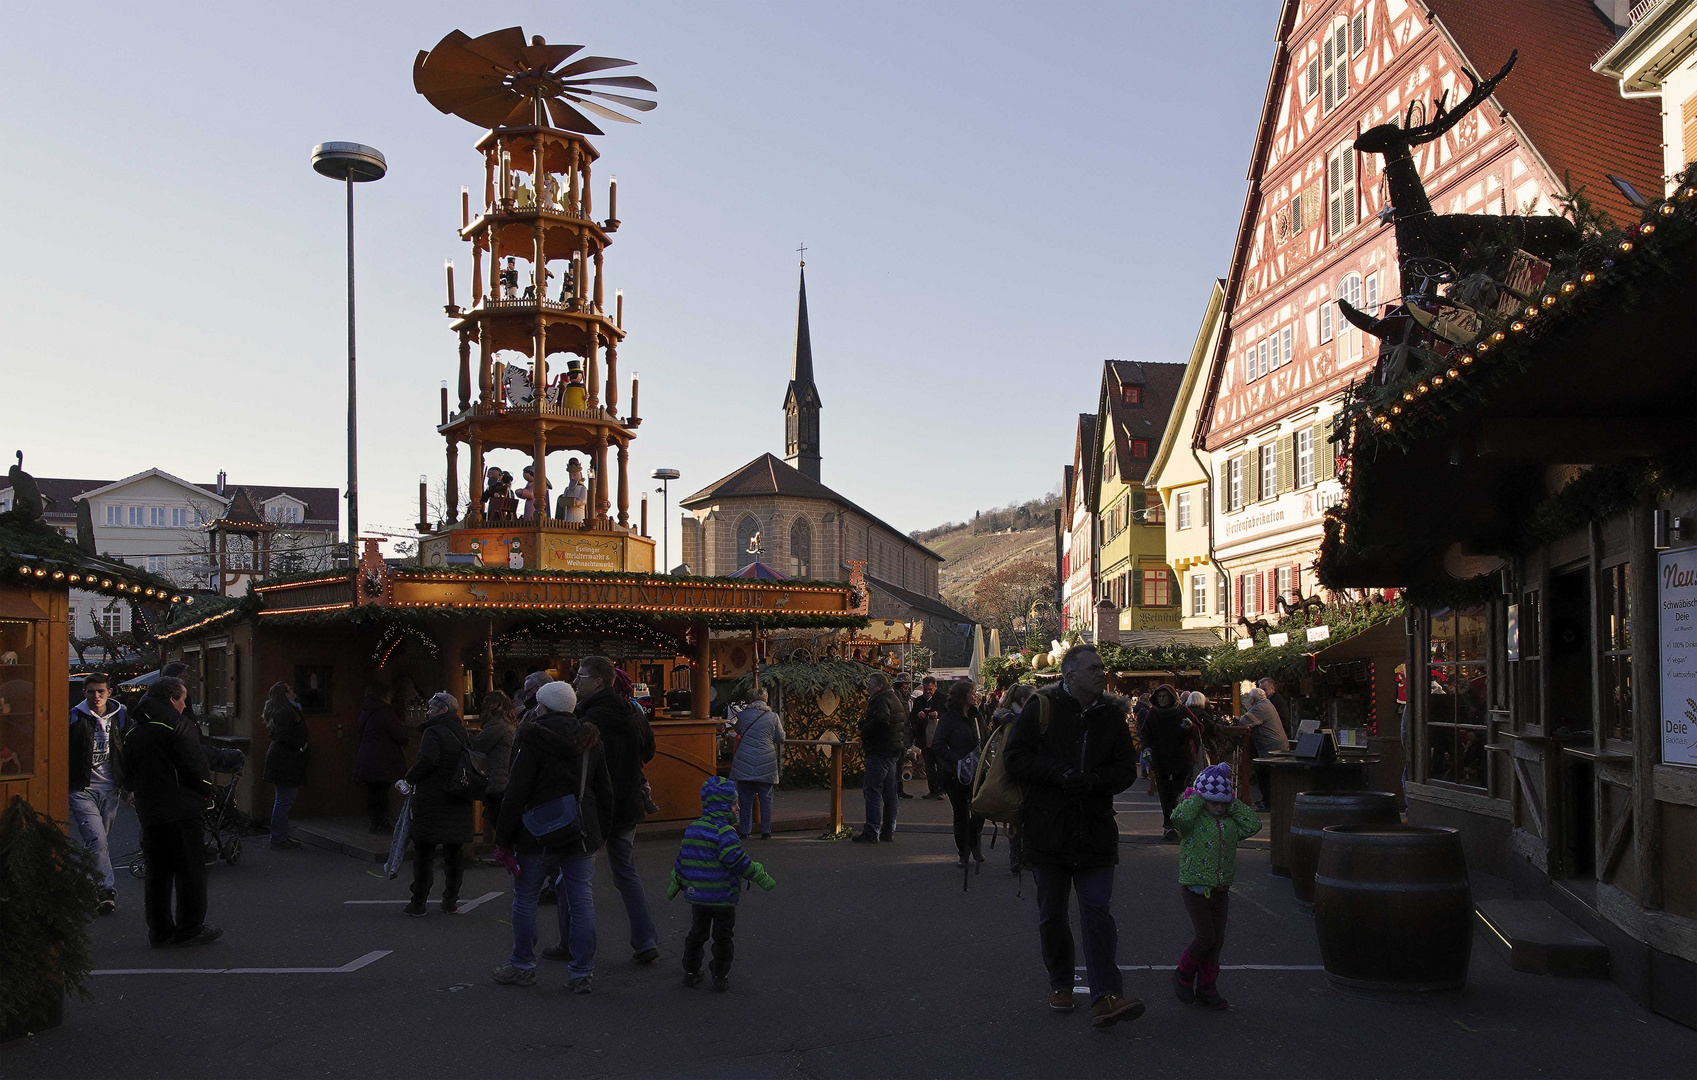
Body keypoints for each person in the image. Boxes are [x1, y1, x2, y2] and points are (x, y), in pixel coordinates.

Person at [1004, 644, 1143, 1029]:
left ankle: (1105, 995)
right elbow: (1014, 758)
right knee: (1052, 915)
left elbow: (1126, 770)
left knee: (1097, 912)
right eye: (1094, 668)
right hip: (1048, 830)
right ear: (1069, 675)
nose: (1102, 673)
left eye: (1102, 667)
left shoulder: (1111, 716)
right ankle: (1061, 983)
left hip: (1095, 829)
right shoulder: (1041, 709)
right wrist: (1058, 773)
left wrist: (1094, 781)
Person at [121, 676, 222, 948]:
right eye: (182, 698)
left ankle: (160, 930)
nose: (184, 704)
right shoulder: (178, 725)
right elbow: (196, 766)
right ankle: (190, 929)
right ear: (171, 698)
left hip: (150, 810)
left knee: (158, 872)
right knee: (190, 871)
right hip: (181, 808)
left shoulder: (135, 728)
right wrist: (207, 790)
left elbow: (126, 769)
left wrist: (134, 791)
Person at [574, 656, 660, 965]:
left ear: (598, 682)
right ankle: (645, 938)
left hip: (595, 804)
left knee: (572, 874)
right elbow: (649, 750)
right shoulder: (633, 712)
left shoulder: (586, 720)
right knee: (625, 871)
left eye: (580, 677)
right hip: (627, 801)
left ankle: (571, 943)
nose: (574, 682)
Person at [666, 776, 777, 992]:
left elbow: (684, 859)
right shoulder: (725, 833)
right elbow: (738, 861)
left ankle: (690, 971)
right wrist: (759, 874)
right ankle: (720, 975)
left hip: (698, 895)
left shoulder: (693, 828)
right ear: (722, 806)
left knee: (697, 932)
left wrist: (677, 880)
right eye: (733, 804)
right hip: (723, 897)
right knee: (723, 936)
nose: (737, 808)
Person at [1170, 764, 1263, 1010]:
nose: (1219, 808)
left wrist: (1231, 801)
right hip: (1195, 888)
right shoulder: (1193, 821)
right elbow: (1178, 817)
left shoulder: (1230, 823)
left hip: (1220, 890)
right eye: (1214, 803)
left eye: (1223, 803)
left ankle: (1207, 987)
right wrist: (1197, 798)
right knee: (1206, 936)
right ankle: (1183, 973)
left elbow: (1253, 824)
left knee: (1217, 940)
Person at [398, 692, 475, 917]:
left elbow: (427, 761)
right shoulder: (464, 733)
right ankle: (450, 900)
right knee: (454, 853)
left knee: (424, 852)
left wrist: (408, 777)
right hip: (458, 797)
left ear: (442, 710)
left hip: (432, 798)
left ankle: (418, 901)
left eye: (431, 708)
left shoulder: (433, 732)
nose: (427, 712)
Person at [69, 672, 131, 914]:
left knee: (98, 843)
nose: (96, 696)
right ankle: (105, 892)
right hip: (82, 789)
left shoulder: (121, 716)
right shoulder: (74, 716)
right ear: (84, 693)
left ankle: (81, 882)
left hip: (110, 789)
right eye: (91, 691)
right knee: (97, 840)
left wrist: (130, 786)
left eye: (100, 691)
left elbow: (128, 749)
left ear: (109, 692)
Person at [930, 680, 987, 870]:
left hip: (978, 772)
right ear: (963, 696)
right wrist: (958, 760)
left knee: (980, 810)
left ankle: (974, 844)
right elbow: (938, 745)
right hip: (955, 774)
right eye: (972, 692)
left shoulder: (977, 716)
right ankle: (964, 852)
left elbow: (985, 740)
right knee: (961, 813)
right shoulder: (949, 719)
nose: (976, 695)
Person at [1138, 684, 1198, 842]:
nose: (1162, 699)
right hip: (1161, 758)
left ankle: (1178, 825)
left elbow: (1199, 729)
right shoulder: (1153, 713)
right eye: (1159, 696)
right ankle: (1168, 825)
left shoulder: (1182, 710)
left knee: (1179, 792)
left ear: (1172, 697)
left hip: (1181, 757)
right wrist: (1146, 748)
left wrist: (1190, 727)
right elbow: (1145, 734)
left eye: (1165, 696)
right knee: (1164, 793)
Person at [853, 672, 906, 844]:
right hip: (893, 748)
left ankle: (871, 830)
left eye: (869, 685)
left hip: (880, 749)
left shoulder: (881, 700)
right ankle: (888, 830)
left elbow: (882, 720)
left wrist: (865, 729)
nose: (867, 688)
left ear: (878, 686)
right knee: (890, 791)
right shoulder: (894, 698)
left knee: (872, 789)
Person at [989, 683, 1036, 873]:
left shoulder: (1002, 716)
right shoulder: (1019, 718)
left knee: (1014, 814)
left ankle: (1016, 856)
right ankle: (1024, 857)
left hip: (1005, 768)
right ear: (1024, 700)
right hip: (1021, 768)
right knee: (1026, 813)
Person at [728, 688, 785, 839]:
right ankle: (765, 831)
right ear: (765, 699)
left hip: (744, 760)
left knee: (745, 798)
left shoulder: (743, 715)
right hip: (766, 761)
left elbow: (738, 730)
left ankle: (745, 830)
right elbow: (780, 738)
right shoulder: (773, 717)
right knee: (766, 798)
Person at [353, 684, 407, 834]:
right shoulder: (385, 712)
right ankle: (382, 821)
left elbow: (359, 729)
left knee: (373, 791)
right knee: (382, 790)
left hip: (368, 756)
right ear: (384, 696)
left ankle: (374, 821)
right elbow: (400, 735)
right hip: (384, 757)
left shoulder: (366, 711)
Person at [261, 681, 307, 850]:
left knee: (283, 799)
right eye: (290, 689)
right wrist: (300, 745)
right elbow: (285, 736)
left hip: (282, 759)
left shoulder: (284, 711)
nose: (293, 691)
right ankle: (279, 837)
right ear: (286, 694)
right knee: (285, 799)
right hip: (285, 760)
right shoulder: (286, 713)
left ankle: (279, 836)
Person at [473, 691, 519, 844]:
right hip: (507, 779)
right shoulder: (509, 724)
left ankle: (507, 855)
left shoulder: (496, 725)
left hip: (497, 780)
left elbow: (477, 746)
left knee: (499, 822)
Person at [1239, 687, 1289, 811]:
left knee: (1263, 773)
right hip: (1276, 746)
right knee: (1263, 773)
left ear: (1253, 700)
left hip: (1271, 748)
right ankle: (1268, 801)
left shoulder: (1260, 708)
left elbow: (1243, 721)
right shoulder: (1267, 704)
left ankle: (1269, 803)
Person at [908, 676, 944, 799]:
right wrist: (918, 715)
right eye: (926, 689)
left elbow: (949, 715)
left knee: (940, 764)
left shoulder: (943, 699)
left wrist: (938, 714)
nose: (928, 692)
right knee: (929, 765)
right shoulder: (918, 701)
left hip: (940, 738)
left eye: (930, 689)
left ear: (935, 686)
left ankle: (941, 791)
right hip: (925, 738)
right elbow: (912, 718)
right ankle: (932, 790)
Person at [892, 674, 914, 798]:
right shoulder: (896, 696)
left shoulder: (907, 697)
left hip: (905, 733)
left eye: (908, 684)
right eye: (905, 684)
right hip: (898, 733)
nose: (907, 686)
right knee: (896, 763)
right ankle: (895, 789)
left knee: (900, 762)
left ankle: (898, 790)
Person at [556, 458, 588, 523]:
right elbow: (563, 500)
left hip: (578, 517)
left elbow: (584, 500)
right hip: (568, 516)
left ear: (580, 475)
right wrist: (561, 500)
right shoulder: (567, 489)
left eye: (574, 475)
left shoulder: (582, 488)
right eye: (570, 475)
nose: (572, 478)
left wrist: (578, 501)